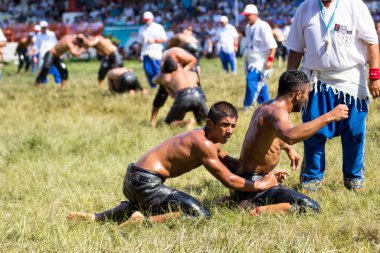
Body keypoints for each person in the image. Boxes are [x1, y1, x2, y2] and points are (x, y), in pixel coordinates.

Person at [67, 101, 284, 225]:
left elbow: (233, 165)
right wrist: (262, 185)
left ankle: (96, 218)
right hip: (146, 182)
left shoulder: (211, 140)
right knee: (200, 214)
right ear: (210, 123)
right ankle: (142, 223)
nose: (230, 131)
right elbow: (228, 179)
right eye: (225, 125)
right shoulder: (204, 144)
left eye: (233, 126)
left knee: (143, 205)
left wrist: (265, 171)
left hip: (134, 180)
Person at [285, 0, 380, 192]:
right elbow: (296, 49)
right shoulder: (305, 8)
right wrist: (289, 82)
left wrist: (375, 76)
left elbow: (372, 43)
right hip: (316, 81)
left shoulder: (355, 5)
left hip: (351, 80)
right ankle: (312, 178)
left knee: (354, 132)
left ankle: (354, 178)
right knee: (313, 130)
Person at [228, 70, 349, 216]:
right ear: (298, 94)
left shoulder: (266, 106)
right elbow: (290, 135)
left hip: (243, 182)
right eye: (306, 94)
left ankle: (235, 200)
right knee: (311, 207)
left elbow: (264, 138)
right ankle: (253, 209)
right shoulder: (278, 112)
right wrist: (329, 117)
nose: (307, 98)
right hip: (254, 185)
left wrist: (287, 148)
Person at [152, 48, 208, 128]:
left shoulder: (167, 76)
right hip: (198, 95)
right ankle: (198, 121)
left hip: (183, 97)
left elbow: (154, 80)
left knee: (169, 124)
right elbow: (197, 81)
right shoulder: (192, 73)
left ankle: (187, 122)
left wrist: (162, 77)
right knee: (205, 122)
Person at [241, 4, 277, 110]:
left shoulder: (263, 26)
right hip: (251, 58)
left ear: (254, 14)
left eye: (248, 15)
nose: (246, 17)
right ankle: (266, 104)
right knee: (261, 83)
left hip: (261, 60)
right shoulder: (248, 27)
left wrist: (270, 61)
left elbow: (273, 46)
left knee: (251, 80)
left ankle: (248, 105)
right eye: (245, 15)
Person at [137, 11, 167, 88]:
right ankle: (153, 87)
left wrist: (155, 41)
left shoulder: (158, 27)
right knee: (148, 71)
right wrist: (138, 53)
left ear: (152, 19)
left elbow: (164, 39)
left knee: (158, 70)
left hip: (156, 52)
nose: (147, 21)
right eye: (145, 20)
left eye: (148, 19)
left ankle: (162, 86)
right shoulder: (142, 29)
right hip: (145, 52)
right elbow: (140, 43)